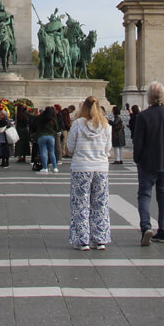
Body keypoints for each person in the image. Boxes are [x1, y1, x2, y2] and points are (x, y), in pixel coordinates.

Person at [134, 82, 164, 245]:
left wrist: (137, 158)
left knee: (145, 195)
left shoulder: (143, 116)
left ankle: (146, 227)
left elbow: (138, 142)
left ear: (149, 97)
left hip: (147, 162)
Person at [67, 96, 113, 251]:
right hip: (100, 168)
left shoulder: (78, 124)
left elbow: (70, 148)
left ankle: (82, 240)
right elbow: (108, 149)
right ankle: (100, 239)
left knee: (80, 204)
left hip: (81, 167)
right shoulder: (106, 125)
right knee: (100, 203)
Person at [35, 105, 59, 173]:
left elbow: (34, 118)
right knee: (52, 152)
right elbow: (57, 128)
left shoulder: (41, 118)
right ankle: (55, 167)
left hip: (42, 136)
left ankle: (45, 167)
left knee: (43, 152)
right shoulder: (53, 119)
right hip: (51, 137)